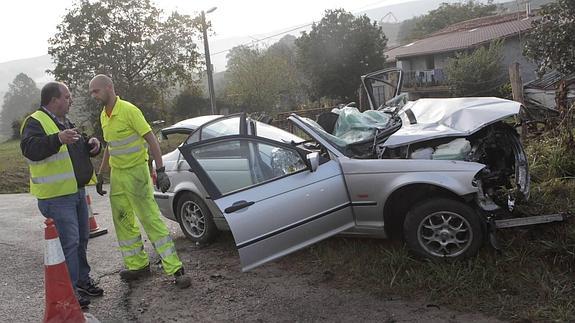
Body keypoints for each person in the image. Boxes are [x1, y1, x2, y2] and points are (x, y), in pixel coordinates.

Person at [89, 74, 191, 289]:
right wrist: (100, 174)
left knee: (150, 219)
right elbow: (110, 145)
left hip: (136, 173)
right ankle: (138, 265)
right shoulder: (104, 116)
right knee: (123, 221)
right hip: (117, 176)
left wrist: (160, 169)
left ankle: (176, 269)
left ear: (109, 87)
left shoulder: (128, 110)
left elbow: (151, 138)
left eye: (95, 91)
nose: (93, 95)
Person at [20, 81, 104, 308]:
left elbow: (74, 145)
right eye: (67, 97)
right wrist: (57, 139)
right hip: (56, 197)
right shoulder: (35, 122)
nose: (70, 100)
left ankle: (82, 281)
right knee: (69, 243)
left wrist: (90, 144)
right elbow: (30, 149)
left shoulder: (64, 121)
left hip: (75, 191)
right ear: (53, 100)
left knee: (81, 240)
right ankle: (70, 293)